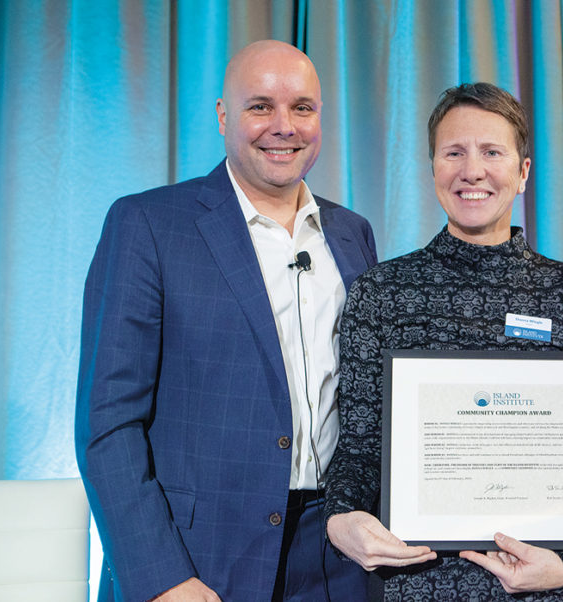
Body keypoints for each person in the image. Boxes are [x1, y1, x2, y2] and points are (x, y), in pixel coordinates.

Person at [76, 40, 376, 601]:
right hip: (198, 559)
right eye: (260, 106)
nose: (283, 126)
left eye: (303, 108)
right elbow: (107, 423)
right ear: (221, 116)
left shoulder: (351, 233)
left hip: (336, 557)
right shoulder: (148, 224)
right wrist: (162, 577)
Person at [322, 82, 563, 601]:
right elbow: (361, 446)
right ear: (433, 167)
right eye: (454, 152)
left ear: (523, 172)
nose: (472, 171)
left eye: (492, 152)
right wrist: (340, 517)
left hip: (543, 590)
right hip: (419, 585)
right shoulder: (383, 292)